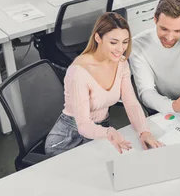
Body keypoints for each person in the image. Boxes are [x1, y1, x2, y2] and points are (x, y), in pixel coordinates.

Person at [45, 12, 162, 157]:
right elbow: (83, 125)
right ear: (97, 38)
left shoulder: (121, 63)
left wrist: (144, 132)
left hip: (102, 129)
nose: (120, 49)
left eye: (125, 42)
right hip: (69, 138)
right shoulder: (78, 72)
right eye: (114, 42)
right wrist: (109, 132)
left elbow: (130, 102)